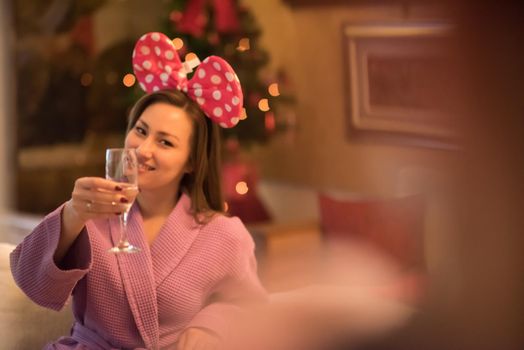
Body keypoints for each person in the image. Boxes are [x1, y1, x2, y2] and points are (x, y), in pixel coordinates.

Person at [10, 32, 267, 350]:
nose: (143, 149)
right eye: (140, 131)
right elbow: (32, 283)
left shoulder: (224, 235)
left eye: (165, 141)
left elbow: (251, 308)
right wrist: (72, 215)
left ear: (190, 162)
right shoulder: (92, 212)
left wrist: (211, 325)